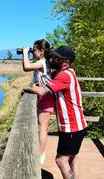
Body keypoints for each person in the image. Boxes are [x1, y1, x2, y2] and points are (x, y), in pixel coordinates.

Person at [24, 45, 88, 179]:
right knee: (73, 157)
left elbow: (42, 91)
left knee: (61, 160)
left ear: (66, 62)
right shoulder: (69, 72)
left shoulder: (64, 76)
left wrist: (28, 87)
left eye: (57, 58)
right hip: (78, 125)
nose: (53, 59)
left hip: (71, 126)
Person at [22, 39, 55, 164]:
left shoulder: (42, 62)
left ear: (41, 51)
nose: (32, 52)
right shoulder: (43, 62)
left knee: (43, 128)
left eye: (34, 50)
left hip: (46, 98)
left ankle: (40, 154)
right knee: (42, 127)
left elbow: (26, 67)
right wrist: (36, 85)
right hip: (45, 96)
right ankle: (40, 151)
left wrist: (25, 53)